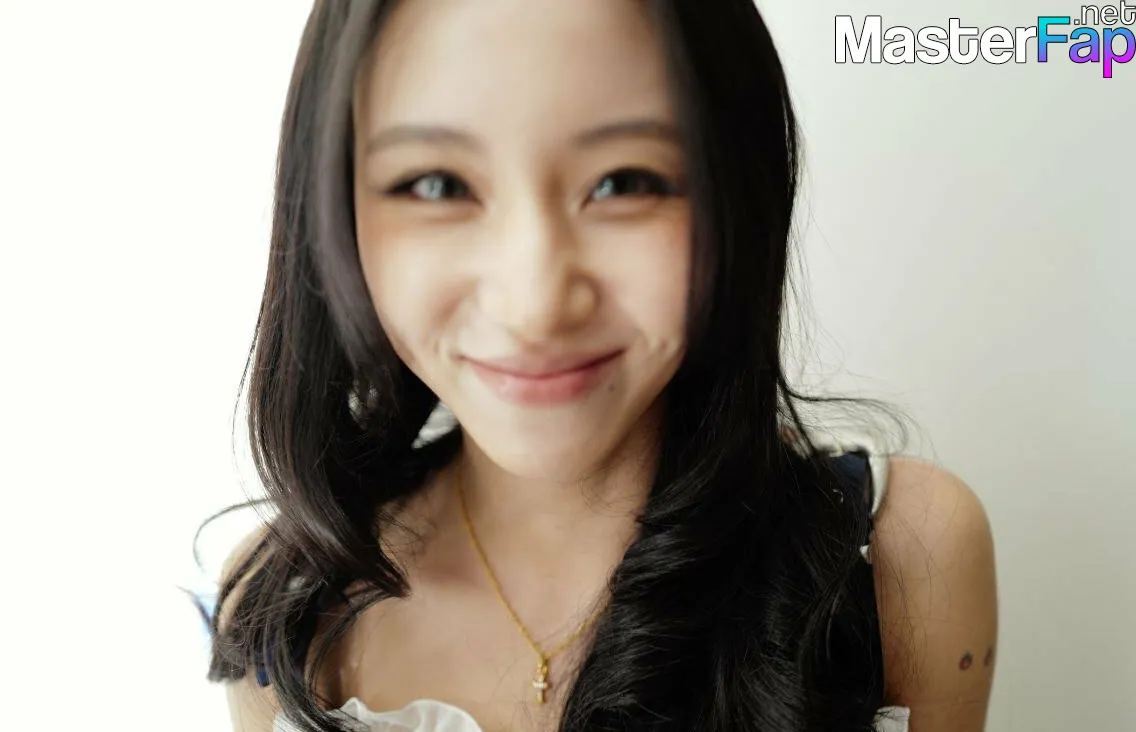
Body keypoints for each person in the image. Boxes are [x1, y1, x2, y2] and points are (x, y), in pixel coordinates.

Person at [203, 1, 998, 730]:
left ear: (736, 197)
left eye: (625, 182)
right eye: (437, 185)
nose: (535, 305)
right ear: (334, 212)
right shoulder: (284, 609)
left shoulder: (901, 555)